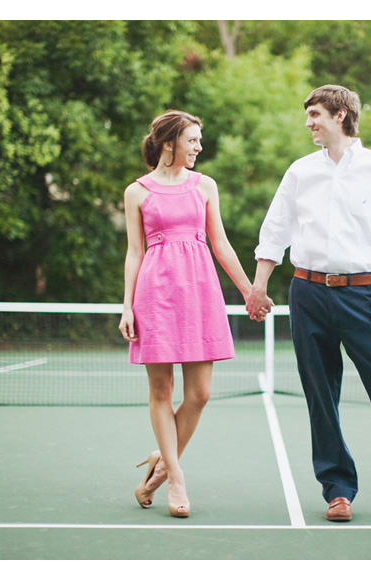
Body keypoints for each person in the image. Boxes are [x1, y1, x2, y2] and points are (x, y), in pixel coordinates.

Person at [246, 85, 371, 525]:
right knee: (321, 396)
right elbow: (274, 232)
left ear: (340, 114)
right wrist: (258, 287)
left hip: (364, 296)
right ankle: (337, 490)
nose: (308, 122)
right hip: (307, 293)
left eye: (315, 114)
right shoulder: (300, 172)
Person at [119, 110, 272, 518]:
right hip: (155, 294)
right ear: (169, 143)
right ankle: (176, 478)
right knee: (161, 392)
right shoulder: (137, 192)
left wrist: (249, 291)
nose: (199, 147)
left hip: (200, 292)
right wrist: (127, 306)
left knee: (200, 394)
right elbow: (134, 252)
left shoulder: (205, 186)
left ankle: (161, 462)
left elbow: (220, 243)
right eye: (192, 140)